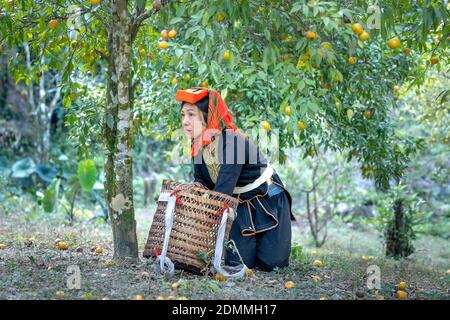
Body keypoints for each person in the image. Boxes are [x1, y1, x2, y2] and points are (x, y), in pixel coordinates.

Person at [176, 87, 295, 272]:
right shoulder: (198, 144)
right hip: (239, 203)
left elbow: (222, 192)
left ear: (208, 116)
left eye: (191, 114)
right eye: (183, 115)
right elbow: (201, 181)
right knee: (237, 264)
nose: (185, 121)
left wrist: (197, 226)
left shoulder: (232, 142)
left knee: (271, 264)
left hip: (268, 199)